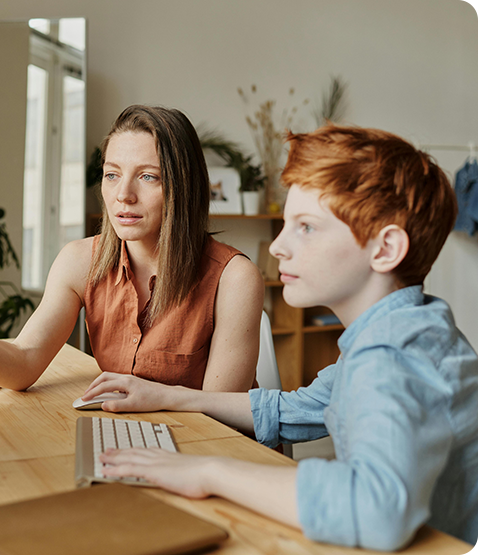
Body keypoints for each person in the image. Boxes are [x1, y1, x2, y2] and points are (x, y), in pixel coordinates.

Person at [82, 125, 478, 550]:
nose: (277, 247)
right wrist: (169, 395)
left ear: (385, 250)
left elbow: (374, 509)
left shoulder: (393, 356)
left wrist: (208, 473)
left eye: (305, 227)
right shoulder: (405, 329)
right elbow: (296, 408)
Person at [0, 105, 264, 393]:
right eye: (112, 174)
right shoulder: (80, 260)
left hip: (208, 456)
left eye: (148, 177)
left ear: (185, 188)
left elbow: (219, 417)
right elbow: (24, 362)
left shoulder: (234, 279)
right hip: (131, 442)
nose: (123, 195)